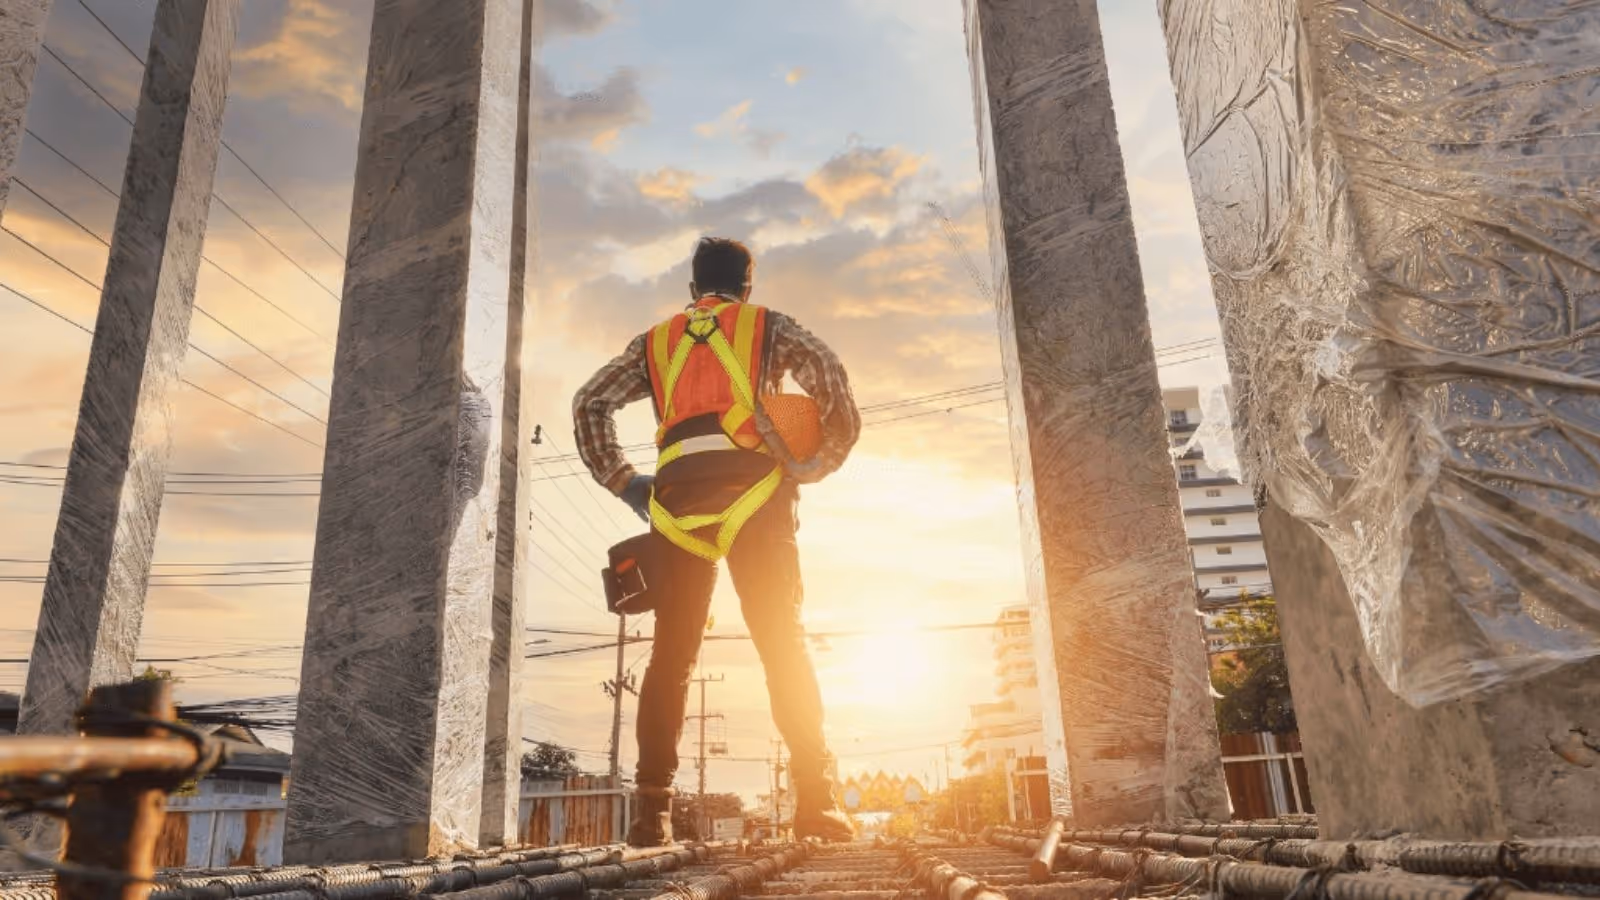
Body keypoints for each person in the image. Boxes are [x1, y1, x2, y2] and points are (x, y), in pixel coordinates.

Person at [572, 237, 860, 845]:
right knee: (783, 646)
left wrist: (625, 482)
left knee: (672, 657)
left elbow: (589, 401)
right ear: (747, 287)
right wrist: (810, 464)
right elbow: (833, 386)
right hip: (758, 498)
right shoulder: (768, 327)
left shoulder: (656, 342)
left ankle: (651, 815)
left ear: (692, 289)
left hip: (676, 508)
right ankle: (817, 803)